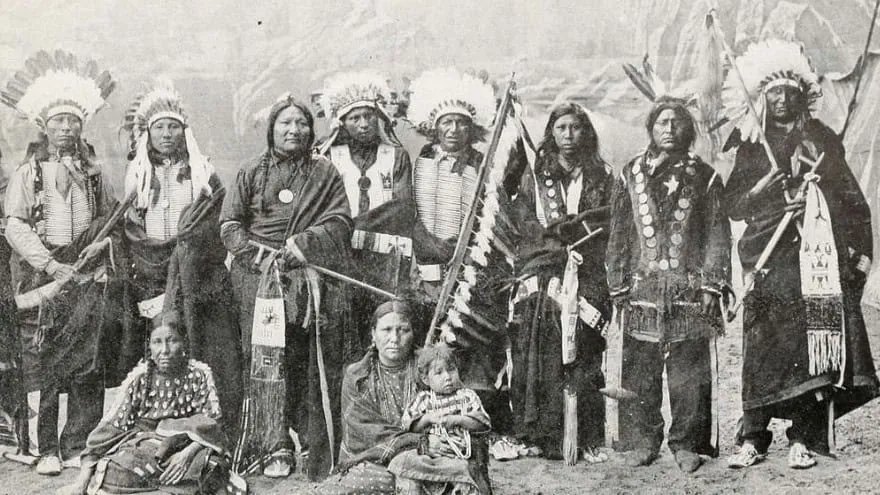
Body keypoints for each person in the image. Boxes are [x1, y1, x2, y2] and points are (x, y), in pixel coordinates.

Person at [721, 39, 878, 469]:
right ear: (762, 98)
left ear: (803, 97)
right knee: (761, 346)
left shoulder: (822, 141)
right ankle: (753, 436)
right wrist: (769, 188)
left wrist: (815, 203)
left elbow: (851, 202)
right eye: (775, 93)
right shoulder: (752, 145)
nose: (784, 99)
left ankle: (802, 436)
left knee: (812, 347)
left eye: (792, 91)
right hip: (767, 259)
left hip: (813, 259)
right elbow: (734, 204)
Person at [220, 94, 356, 480]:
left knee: (305, 361)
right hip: (258, 283)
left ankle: (313, 438)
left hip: (307, 282)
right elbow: (229, 225)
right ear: (272, 129)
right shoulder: (250, 171)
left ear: (311, 131)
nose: (294, 130)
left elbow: (341, 221)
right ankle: (273, 442)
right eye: (286, 123)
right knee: (265, 361)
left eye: (301, 124)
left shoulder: (325, 172)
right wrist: (260, 258)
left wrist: (304, 244)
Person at [1, 50, 117, 475]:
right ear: (44, 127)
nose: (66, 128)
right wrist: (50, 266)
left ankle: (80, 442)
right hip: (41, 280)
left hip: (87, 277)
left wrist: (97, 249)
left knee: (88, 361)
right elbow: (15, 225)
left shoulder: (95, 172)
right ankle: (46, 446)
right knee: (45, 362)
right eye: (58, 122)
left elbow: (109, 219)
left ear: (82, 126)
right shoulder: (27, 173)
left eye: (73, 121)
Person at [605, 96, 730, 473]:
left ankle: (688, 443)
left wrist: (712, 284)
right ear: (651, 128)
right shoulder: (630, 174)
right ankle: (641, 441)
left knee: (689, 371)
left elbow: (717, 235)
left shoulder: (706, 177)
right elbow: (619, 234)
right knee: (639, 369)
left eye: (676, 123)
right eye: (662, 122)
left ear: (688, 129)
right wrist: (618, 283)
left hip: (689, 292)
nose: (669, 129)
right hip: (641, 291)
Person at [111, 79, 243, 431]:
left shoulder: (203, 174)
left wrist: (187, 253)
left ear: (185, 132)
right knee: (161, 347)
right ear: (148, 133)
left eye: (174, 127)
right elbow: (132, 226)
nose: (167, 134)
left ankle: (210, 425)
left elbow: (210, 224)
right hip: (152, 274)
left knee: (207, 345)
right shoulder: (138, 174)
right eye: (159, 127)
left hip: (199, 274)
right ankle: (157, 427)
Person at [508, 103, 611, 462]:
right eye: (562, 128)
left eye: (576, 128)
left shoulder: (601, 175)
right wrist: (553, 245)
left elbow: (608, 222)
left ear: (586, 132)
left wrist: (577, 233)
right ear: (551, 132)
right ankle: (542, 435)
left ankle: (587, 436)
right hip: (543, 270)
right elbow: (524, 223)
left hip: (588, 271)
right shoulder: (535, 175)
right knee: (540, 347)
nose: (569, 135)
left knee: (584, 348)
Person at [405, 68, 507, 400]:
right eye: (446, 122)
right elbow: (412, 213)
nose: (453, 129)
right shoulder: (420, 161)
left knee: (472, 336)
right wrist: (430, 249)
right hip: (428, 265)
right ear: (434, 127)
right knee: (430, 334)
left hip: (472, 268)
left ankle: (476, 403)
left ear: (472, 128)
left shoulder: (483, 165)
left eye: (461, 122)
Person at [60, 316, 234, 495]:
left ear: (184, 343)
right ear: (149, 346)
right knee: (114, 470)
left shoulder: (199, 374)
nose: (164, 350)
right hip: (147, 446)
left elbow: (211, 423)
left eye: (172, 341)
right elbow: (113, 426)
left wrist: (187, 454)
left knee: (212, 467)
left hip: (189, 445)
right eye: (157, 342)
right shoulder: (140, 377)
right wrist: (81, 482)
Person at [318, 72, 414, 345]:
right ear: (342, 123)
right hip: (341, 258)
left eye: (369, 116)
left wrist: (349, 226)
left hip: (386, 261)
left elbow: (402, 207)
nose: (363, 124)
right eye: (354, 118)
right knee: (344, 330)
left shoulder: (395, 155)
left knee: (385, 327)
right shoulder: (328, 158)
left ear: (379, 118)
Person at [318, 300, 421, 495]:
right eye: (386, 330)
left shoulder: (428, 370)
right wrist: (414, 441)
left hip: (422, 460)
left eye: (403, 330)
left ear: (413, 333)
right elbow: (363, 432)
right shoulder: (357, 376)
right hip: (372, 461)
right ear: (373, 334)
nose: (394, 338)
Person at [389, 344, 492, 494]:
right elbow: (409, 426)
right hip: (432, 455)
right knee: (405, 462)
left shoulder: (467, 396)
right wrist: (427, 419)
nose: (447, 377)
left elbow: (483, 423)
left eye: (451, 370)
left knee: (465, 472)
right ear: (425, 379)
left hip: (459, 455)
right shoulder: (423, 399)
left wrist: (457, 419)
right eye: (439, 373)